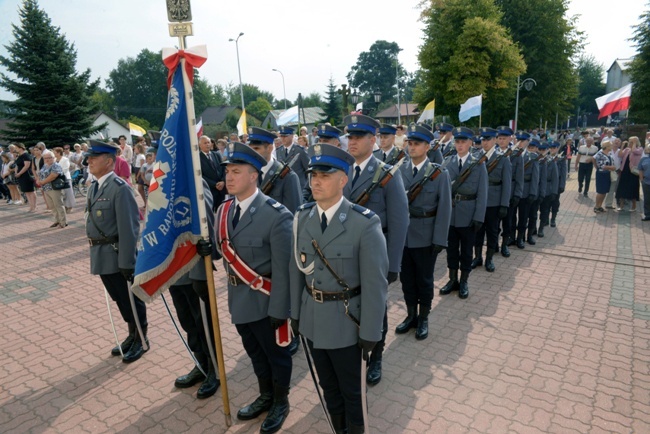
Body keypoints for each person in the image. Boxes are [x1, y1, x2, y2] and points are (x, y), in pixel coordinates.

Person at [289, 143, 388, 434]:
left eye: (324, 175)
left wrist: (371, 332)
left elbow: (375, 285)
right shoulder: (302, 217)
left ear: (343, 180)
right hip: (313, 321)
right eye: (312, 175)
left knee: (352, 394)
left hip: (347, 325)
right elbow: (297, 272)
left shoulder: (364, 224)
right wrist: (295, 315)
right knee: (328, 389)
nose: (315, 181)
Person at [216, 142, 293, 433]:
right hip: (238, 300)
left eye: (237, 171)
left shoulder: (276, 215)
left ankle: (281, 401)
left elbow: (285, 270)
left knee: (276, 356)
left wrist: (280, 309)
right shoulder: (222, 211)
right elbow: (223, 253)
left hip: (266, 301)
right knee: (255, 354)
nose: (230, 177)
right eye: (228, 171)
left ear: (253, 176)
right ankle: (265, 395)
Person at [342, 114, 408, 386]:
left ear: (373, 140)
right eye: (350, 136)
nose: (352, 141)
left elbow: (399, 220)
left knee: (376, 307)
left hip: (373, 256)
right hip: (344, 254)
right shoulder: (341, 170)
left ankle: (376, 357)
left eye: (359, 137)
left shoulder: (386, 173)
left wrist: (393, 264)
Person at [85, 140, 147, 364]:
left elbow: (129, 229)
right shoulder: (95, 186)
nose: (89, 161)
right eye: (89, 157)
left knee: (130, 299)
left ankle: (141, 338)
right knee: (120, 299)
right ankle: (132, 334)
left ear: (109, 161)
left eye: (94, 157)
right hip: (102, 255)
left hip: (117, 255)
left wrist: (127, 262)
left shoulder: (120, 189)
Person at [395, 124, 451, 342]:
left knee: (425, 281)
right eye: (410, 143)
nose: (412, 147)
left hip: (426, 237)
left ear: (427, 146)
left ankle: (424, 318)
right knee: (407, 280)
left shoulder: (438, 173)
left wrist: (439, 239)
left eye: (417, 143)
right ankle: (411, 315)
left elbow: (444, 208)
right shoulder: (400, 170)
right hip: (404, 238)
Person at [439, 127, 488, 300]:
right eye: (457, 142)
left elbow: (483, 192)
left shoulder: (478, 164)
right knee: (451, 249)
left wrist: (478, 216)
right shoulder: (447, 162)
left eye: (463, 142)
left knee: (466, 251)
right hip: (451, 215)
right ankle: (452, 279)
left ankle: (464, 281)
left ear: (470, 143)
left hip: (469, 214)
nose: (459, 145)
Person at [471, 128, 511, 272]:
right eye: (483, 140)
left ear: (495, 140)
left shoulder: (503, 158)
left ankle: (489, 259)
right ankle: (477, 258)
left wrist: (504, 204)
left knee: (493, 232)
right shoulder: (475, 156)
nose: (485, 142)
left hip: (494, 202)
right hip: (478, 201)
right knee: (477, 231)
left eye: (488, 140)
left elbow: (507, 184)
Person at [248, 127, 302, 214]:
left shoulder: (288, 177)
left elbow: (293, 215)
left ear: (269, 148)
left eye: (256, 149)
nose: (252, 153)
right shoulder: (249, 174)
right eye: (250, 149)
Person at [499, 127, 523, 257]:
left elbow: (520, 176)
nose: (502, 141)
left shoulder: (516, 154)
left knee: (508, 221)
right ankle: (494, 245)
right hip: (496, 192)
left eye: (504, 138)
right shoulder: (493, 153)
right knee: (494, 223)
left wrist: (518, 193)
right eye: (500, 138)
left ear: (510, 139)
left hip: (511, 190)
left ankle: (505, 244)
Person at [38, 150, 67, 228]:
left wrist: (43, 182)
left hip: (54, 188)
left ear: (53, 157)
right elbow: (40, 174)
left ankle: (63, 222)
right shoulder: (45, 165)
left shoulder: (56, 165)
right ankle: (57, 221)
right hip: (46, 188)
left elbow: (53, 175)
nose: (47, 159)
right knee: (52, 206)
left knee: (58, 205)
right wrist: (39, 181)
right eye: (45, 158)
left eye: (49, 158)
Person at [198, 135, 226, 211]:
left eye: (208, 142)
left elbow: (224, 169)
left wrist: (223, 181)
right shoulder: (197, 158)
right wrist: (214, 184)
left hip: (222, 190)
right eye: (205, 143)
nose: (207, 144)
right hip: (209, 190)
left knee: (222, 212)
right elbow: (200, 175)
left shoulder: (217, 154)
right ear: (200, 145)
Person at [616, 136, 643, 212]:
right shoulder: (627, 149)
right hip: (625, 170)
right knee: (622, 187)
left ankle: (634, 206)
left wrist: (634, 143)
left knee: (633, 188)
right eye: (630, 142)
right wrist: (622, 146)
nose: (630, 143)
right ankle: (621, 205)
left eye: (632, 142)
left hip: (633, 171)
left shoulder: (639, 149)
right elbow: (620, 155)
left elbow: (634, 151)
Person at [537, 143, 559, 236]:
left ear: (547, 150)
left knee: (544, 210)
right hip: (536, 189)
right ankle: (533, 229)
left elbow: (555, 178)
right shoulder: (534, 160)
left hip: (547, 189)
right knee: (533, 211)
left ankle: (541, 228)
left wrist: (554, 191)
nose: (542, 152)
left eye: (544, 150)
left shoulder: (551, 161)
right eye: (540, 150)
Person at [592, 141, 616, 213]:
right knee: (600, 191)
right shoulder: (600, 154)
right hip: (602, 174)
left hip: (607, 174)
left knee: (604, 191)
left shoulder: (609, 153)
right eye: (611, 145)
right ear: (607, 146)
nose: (612, 147)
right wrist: (611, 167)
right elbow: (601, 165)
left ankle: (600, 206)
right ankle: (596, 206)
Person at [13, 143, 37, 212]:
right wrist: (16, 173)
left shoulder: (26, 155)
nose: (15, 149)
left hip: (27, 175)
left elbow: (26, 166)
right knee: (26, 191)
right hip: (21, 176)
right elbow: (17, 165)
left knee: (31, 191)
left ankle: (34, 206)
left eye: (16, 148)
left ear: (21, 148)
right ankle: (31, 206)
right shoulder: (19, 156)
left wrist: (19, 173)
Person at [53, 147, 76, 212]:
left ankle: (70, 206)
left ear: (58, 153)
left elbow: (65, 168)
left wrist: (57, 173)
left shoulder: (65, 159)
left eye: (54, 152)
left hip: (65, 178)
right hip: (57, 179)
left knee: (68, 192)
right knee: (61, 193)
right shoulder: (54, 160)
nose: (54, 153)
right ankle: (64, 206)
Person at [549, 141, 566, 227]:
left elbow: (563, 173)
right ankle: (545, 219)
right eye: (551, 148)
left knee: (555, 202)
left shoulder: (561, 158)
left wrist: (562, 185)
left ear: (557, 148)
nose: (552, 149)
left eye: (554, 148)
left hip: (557, 184)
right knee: (546, 202)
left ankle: (553, 218)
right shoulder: (546, 157)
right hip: (547, 183)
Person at [638, 145, 650, 221]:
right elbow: (640, 170)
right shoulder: (643, 159)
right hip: (646, 182)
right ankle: (647, 214)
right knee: (647, 199)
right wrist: (642, 180)